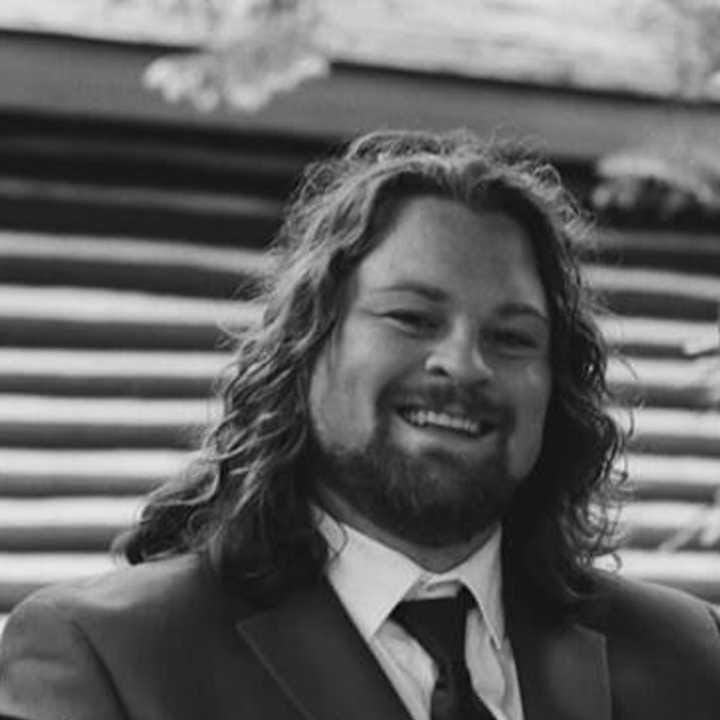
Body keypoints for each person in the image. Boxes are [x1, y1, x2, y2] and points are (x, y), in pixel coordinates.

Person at [0, 129, 718, 720]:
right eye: (412, 317)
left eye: (513, 338)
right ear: (309, 347)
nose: (464, 364)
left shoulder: (689, 655)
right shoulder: (110, 657)